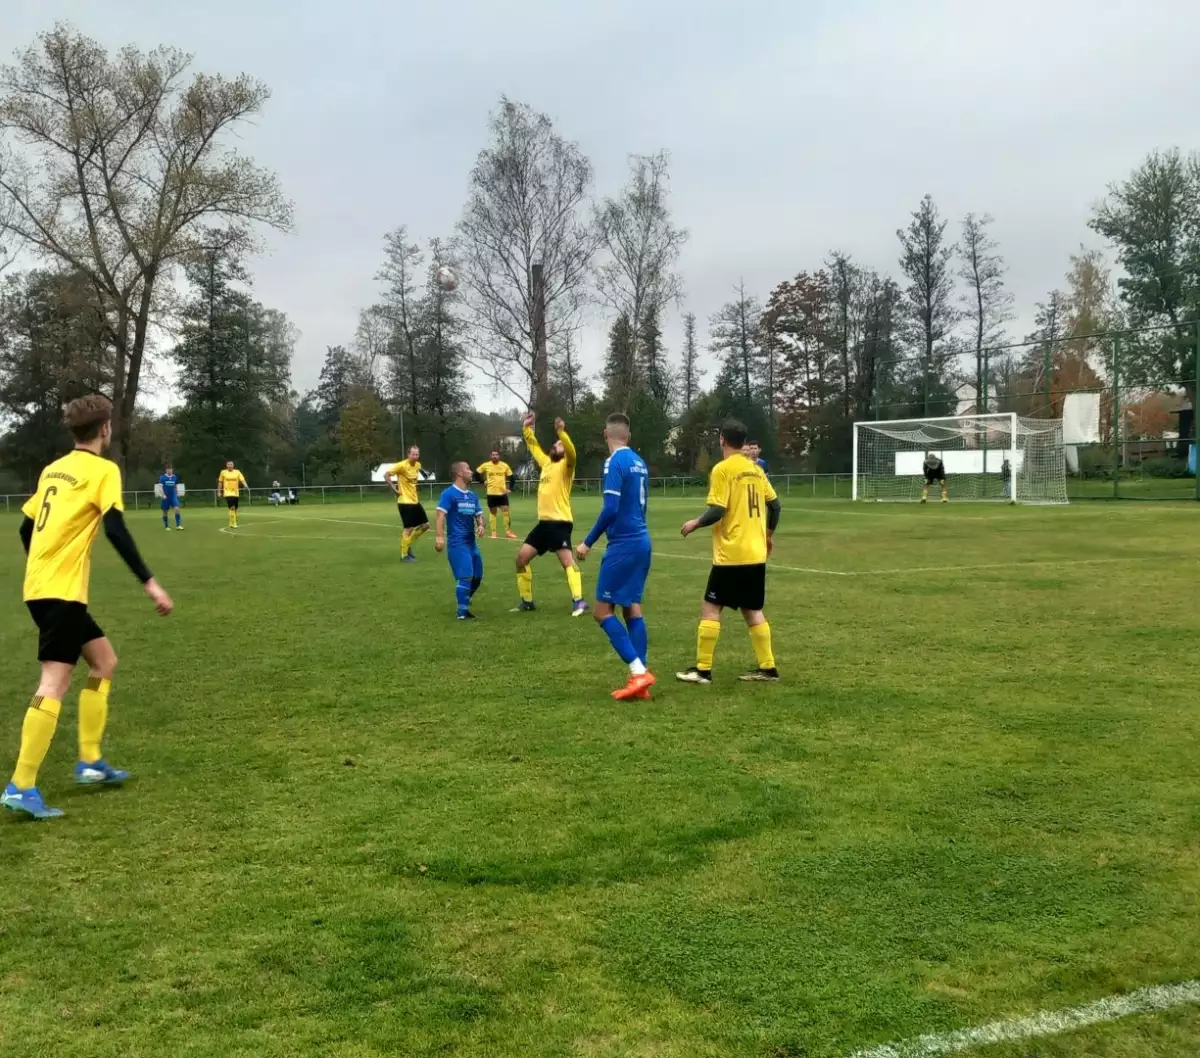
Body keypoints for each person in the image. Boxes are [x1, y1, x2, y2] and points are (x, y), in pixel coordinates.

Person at [2, 395, 173, 821]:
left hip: (44, 587)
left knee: (104, 661)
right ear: (105, 430)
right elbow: (114, 527)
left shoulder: (53, 469)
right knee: (54, 683)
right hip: (59, 592)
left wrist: (45, 565)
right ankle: (21, 785)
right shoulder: (103, 470)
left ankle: (91, 763)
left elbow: (27, 527)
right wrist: (150, 583)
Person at [676, 419, 781, 685]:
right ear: (743, 442)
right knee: (752, 609)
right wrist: (767, 536)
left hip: (731, 554)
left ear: (722, 439)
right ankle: (768, 668)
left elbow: (718, 509)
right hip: (755, 553)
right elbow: (776, 506)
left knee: (711, 607)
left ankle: (702, 670)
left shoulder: (722, 470)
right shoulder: (756, 470)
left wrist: (695, 523)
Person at [576, 413, 653, 700]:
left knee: (601, 611)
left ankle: (638, 672)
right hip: (642, 540)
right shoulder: (639, 462)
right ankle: (641, 678)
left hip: (623, 544)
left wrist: (587, 542)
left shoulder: (614, 462)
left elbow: (610, 509)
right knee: (632, 607)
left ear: (605, 434)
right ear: (628, 437)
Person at [513, 413, 587, 616]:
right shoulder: (546, 463)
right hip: (544, 524)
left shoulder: (567, 466)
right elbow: (534, 446)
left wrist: (562, 432)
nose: (556, 446)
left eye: (559, 445)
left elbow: (571, 452)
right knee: (521, 559)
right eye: (555, 444)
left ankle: (579, 601)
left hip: (560, 523)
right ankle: (527, 602)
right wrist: (526, 429)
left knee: (566, 562)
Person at [435, 462, 486, 621]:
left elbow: (479, 514)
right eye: (468, 469)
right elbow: (440, 515)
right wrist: (439, 537)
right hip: (457, 543)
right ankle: (462, 613)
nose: (471, 472)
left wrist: (481, 525)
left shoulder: (472, 495)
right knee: (466, 576)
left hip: (471, 543)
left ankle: (464, 598)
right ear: (458, 474)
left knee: (477, 576)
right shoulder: (449, 494)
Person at [386, 446, 430, 562]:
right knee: (409, 528)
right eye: (413, 454)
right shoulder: (401, 465)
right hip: (404, 501)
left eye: (417, 454)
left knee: (425, 526)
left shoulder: (418, 465)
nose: (415, 457)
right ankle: (404, 555)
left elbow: (419, 475)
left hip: (415, 501)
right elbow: (387, 474)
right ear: (408, 454)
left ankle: (407, 544)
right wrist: (394, 488)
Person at [475, 450, 517, 540]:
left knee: (506, 511)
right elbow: (476, 473)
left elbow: (512, 477)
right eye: (493, 455)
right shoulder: (486, 465)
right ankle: (494, 533)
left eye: (496, 455)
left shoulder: (504, 465)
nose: (495, 456)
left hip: (502, 493)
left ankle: (508, 532)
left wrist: (511, 488)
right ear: (491, 456)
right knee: (493, 513)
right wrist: (483, 481)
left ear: (499, 456)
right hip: (491, 493)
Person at [218, 460, 249, 529]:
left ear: (233, 465)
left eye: (231, 464)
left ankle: (230, 522)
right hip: (227, 492)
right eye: (228, 464)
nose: (230, 466)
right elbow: (220, 482)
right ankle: (234, 523)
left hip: (235, 492)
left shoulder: (237, 472)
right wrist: (219, 491)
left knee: (234, 508)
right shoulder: (223, 472)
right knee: (232, 507)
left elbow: (242, 480)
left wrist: (245, 485)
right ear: (226, 465)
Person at [159, 463, 183, 530]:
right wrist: (163, 495)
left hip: (173, 496)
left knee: (177, 509)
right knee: (165, 511)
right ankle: (166, 526)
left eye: (171, 469)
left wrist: (177, 493)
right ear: (166, 470)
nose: (170, 471)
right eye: (168, 469)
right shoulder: (162, 477)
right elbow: (160, 487)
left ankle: (178, 525)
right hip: (166, 497)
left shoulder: (174, 477)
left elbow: (175, 486)